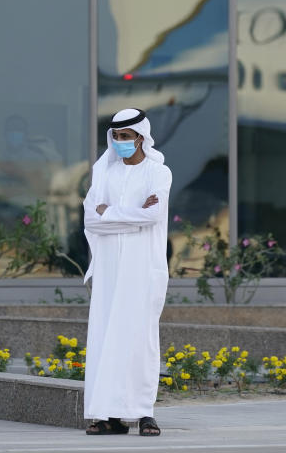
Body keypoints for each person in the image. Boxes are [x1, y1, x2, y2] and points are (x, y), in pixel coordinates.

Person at [81, 108, 172, 436]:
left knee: (140, 338)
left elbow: (153, 215)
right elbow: (91, 219)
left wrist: (110, 214)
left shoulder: (158, 173)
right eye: (115, 137)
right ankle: (108, 415)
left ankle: (143, 413)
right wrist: (128, 216)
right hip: (109, 271)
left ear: (140, 138)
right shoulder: (103, 173)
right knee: (106, 338)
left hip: (143, 269)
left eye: (126, 137)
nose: (120, 142)